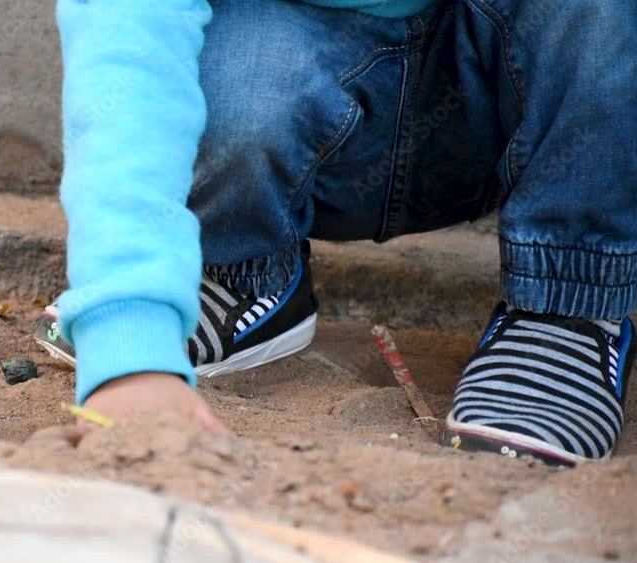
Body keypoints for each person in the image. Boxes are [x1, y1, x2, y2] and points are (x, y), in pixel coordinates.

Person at [33, 0, 637, 467]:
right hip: (320, 96)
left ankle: (566, 308)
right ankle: (244, 270)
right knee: (225, 65)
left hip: (517, 102)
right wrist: (129, 337)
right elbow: (128, 43)